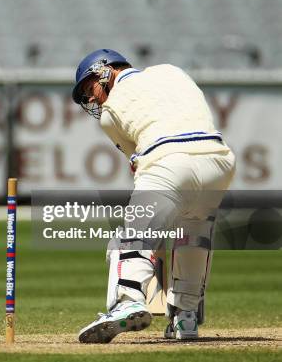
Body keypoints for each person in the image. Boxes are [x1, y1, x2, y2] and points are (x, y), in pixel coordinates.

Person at [71, 49, 235, 342]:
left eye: (89, 89)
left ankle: (128, 299)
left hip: (168, 161)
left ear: (105, 72)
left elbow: (138, 165)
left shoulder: (109, 116)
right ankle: (186, 318)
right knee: (194, 235)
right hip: (219, 162)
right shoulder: (172, 70)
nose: (92, 100)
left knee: (132, 235)